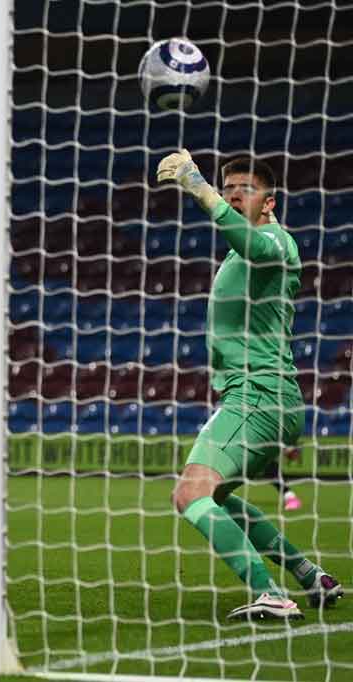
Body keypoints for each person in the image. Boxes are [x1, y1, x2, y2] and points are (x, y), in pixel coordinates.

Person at [158, 151, 342, 620]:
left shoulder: (276, 243)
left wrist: (202, 190)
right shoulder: (242, 254)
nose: (236, 194)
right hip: (264, 398)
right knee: (216, 496)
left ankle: (270, 593)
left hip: (258, 398)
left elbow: (254, 245)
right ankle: (309, 575)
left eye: (247, 188)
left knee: (189, 494)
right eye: (230, 186)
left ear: (270, 202)